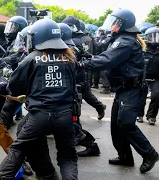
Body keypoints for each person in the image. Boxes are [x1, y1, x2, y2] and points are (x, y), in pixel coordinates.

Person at [80, 9, 159, 173]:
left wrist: (82, 64)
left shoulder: (125, 41)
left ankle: (149, 154)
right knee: (116, 124)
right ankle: (125, 157)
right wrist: (88, 57)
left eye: (116, 22)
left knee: (125, 123)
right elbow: (106, 55)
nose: (113, 25)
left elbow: (108, 60)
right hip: (124, 88)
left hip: (132, 89)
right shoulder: (121, 39)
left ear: (124, 25)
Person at [0, 18, 78, 180]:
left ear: (38, 37)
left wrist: (2, 83)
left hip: (39, 115)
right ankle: (46, 173)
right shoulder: (69, 58)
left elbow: (14, 88)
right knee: (67, 157)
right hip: (65, 115)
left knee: (18, 149)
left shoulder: (31, 58)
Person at [59, 22, 101, 157]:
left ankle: (91, 145)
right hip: (71, 88)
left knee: (72, 121)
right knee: (72, 120)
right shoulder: (72, 46)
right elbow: (88, 55)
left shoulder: (69, 49)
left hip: (70, 89)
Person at [62, 16, 106, 120]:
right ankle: (99, 107)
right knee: (85, 94)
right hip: (78, 70)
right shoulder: (78, 39)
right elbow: (84, 52)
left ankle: (76, 122)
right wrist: (90, 56)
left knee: (80, 96)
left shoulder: (73, 40)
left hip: (78, 71)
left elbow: (79, 53)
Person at [137, 27, 159, 125]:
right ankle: (139, 114)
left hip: (157, 77)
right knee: (141, 96)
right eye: (152, 37)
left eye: (156, 37)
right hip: (144, 76)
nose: (154, 39)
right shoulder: (142, 50)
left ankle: (152, 116)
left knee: (156, 95)